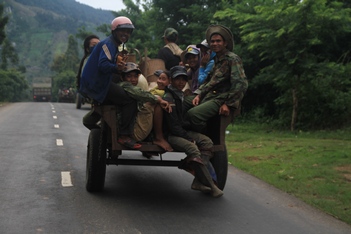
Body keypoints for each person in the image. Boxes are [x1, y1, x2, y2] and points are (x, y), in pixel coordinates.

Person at [80, 16, 141, 149]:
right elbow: (103, 65)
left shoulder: (113, 45)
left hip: (98, 82)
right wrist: (116, 67)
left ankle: (108, 127)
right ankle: (124, 135)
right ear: (114, 31)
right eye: (122, 31)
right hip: (96, 85)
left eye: (128, 32)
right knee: (130, 100)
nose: (125, 34)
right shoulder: (109, 44)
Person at [162, 65, 223, 198]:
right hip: (171, 135)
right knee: (193, 148)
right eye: (178, 79)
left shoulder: (181, 95)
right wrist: (189, 138)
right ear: (171, 80)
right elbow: (173, 126)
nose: (181, 82)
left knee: (207, 142)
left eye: (184, 79)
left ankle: (198, 181)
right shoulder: (169, 98)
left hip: (180, 131)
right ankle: (212, 186)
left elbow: (180, 121)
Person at [185, 25, 248, 133]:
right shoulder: (216, 61)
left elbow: (240, 83)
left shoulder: (232, 59)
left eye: (218, 41)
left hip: (221, 99)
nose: (215, 44)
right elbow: (208, 81)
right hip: (210, 96)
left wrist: (228, 104)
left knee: (193, 115)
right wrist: (199, 94)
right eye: (212, 41)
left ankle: (206, 138)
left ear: (225, 43)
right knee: (182, 101)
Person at [119, 62, 172, 151]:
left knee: (152, 101)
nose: (133, 79)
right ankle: (159, 137)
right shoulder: (125, 86)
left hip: (131, 126)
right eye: (129, 76)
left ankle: (155, 136)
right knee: (155, 103)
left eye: (135, 76)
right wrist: (159, 100)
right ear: (123, 77)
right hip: (132, 132)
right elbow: (140, 93)